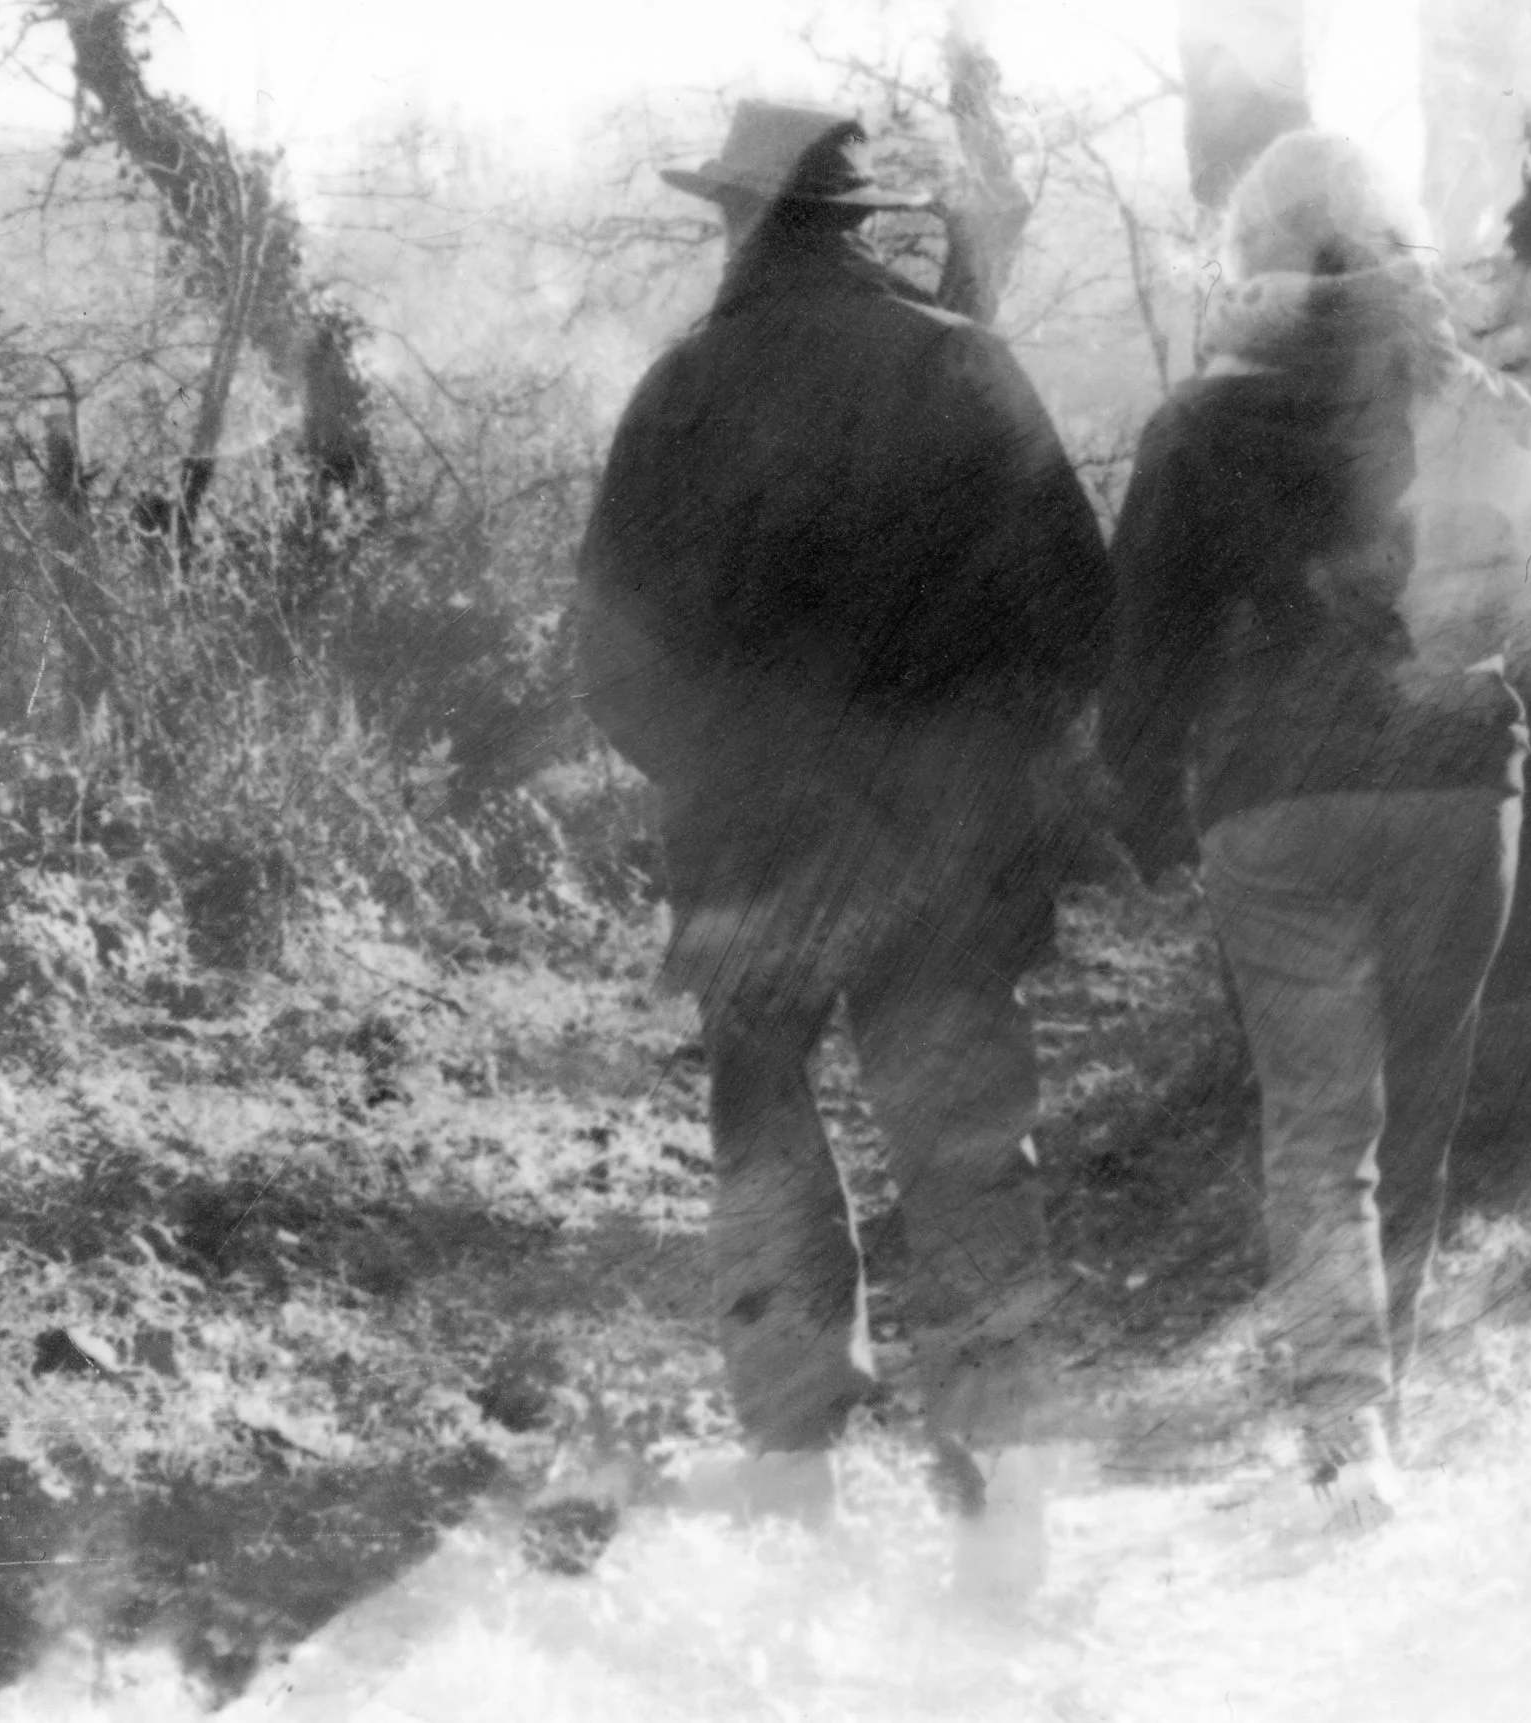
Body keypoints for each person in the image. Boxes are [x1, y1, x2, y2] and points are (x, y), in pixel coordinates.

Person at [1098, 131, 1531, 1527]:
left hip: (1274, 804)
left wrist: (1141, 810)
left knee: (1320, 1127)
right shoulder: (1483, 403)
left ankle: (1343, 1425)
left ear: (1260, 259)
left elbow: (1140, 646)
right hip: (1452, 792)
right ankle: (1379, 1417)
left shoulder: (1198, 427)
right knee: (1412, 1124)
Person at [575, 100, 1114, 1588]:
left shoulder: (683, 391)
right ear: (852, 222)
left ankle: (793, 1485)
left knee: (766, 1152)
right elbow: (1082, 615)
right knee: (964, 1162)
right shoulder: (964, 368)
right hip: (945, 851)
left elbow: (605, 653)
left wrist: (717, 766)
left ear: (748, 221)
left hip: (751, 850)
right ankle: (1007, 1510)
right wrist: (987, 772)